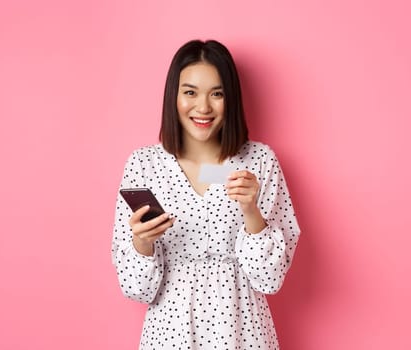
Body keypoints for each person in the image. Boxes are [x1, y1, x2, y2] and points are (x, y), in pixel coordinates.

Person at [111, 39, 301, 349]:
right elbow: (135, 289)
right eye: (190, 92)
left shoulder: (259, 161)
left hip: (243, 331)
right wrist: (142, 243)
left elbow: (270, 278)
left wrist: (251, 210)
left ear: (232, 98)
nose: (203, 107)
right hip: (170, 333)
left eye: (217, 94)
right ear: (173, 96)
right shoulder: (144, 165)